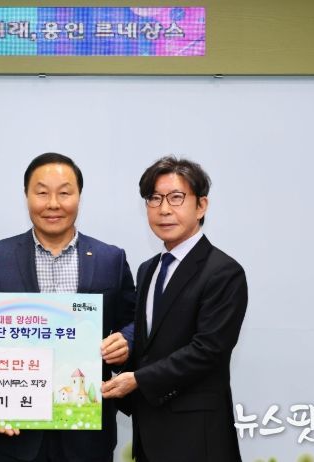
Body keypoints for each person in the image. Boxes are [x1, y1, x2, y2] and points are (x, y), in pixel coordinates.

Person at [0, 152, 136, 462]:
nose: (53, 204)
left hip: (88, 433)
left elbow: (135, 321)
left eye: (64, 193)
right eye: (42, 192)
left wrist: (126, 340)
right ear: (26, 196)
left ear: (79, 196)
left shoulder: (110, 258)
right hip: (16, 429)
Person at [102, 156, 248, 462]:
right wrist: (122, 353)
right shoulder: (148, 269)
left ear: (201, 205)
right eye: (154, 198)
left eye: (176, 198)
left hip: (197, 436)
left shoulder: (223, 272)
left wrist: (138, 380)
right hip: (149, 432)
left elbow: (208, 350)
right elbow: (150, 343)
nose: (164, 209)